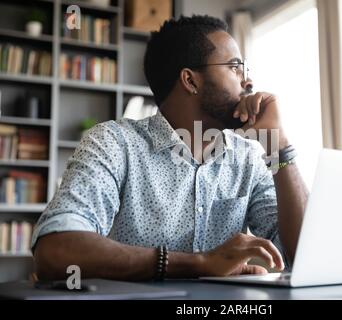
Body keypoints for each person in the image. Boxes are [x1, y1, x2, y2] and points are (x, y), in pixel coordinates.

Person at [32, 15, 309, 281]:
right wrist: (198, 264)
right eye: (234, 67)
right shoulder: (114, 144)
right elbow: (56, 250)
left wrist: (280, 147)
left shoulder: (248, 158)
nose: (247, 81)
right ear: (190, 80)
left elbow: (303, 256)